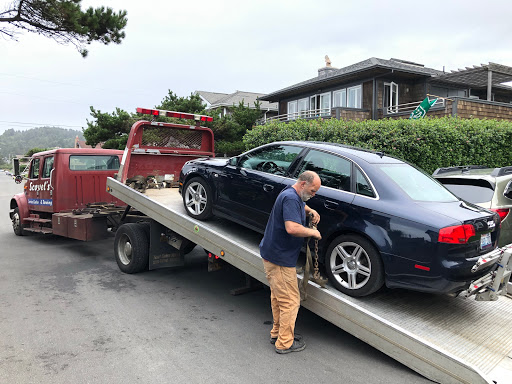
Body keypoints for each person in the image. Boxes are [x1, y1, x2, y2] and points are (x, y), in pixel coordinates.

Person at [259, 170, 321, 354]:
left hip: (273, 254)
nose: (313, 195)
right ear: (303, 184)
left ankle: (277, 333)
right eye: (312, 191)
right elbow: (292, 227)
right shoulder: (292, 198)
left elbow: (297, 205)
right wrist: (313, 232)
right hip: (279, 259)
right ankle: (284, 343)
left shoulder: (290, 192)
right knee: (290, 301)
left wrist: (310, 210)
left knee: (278, 297)